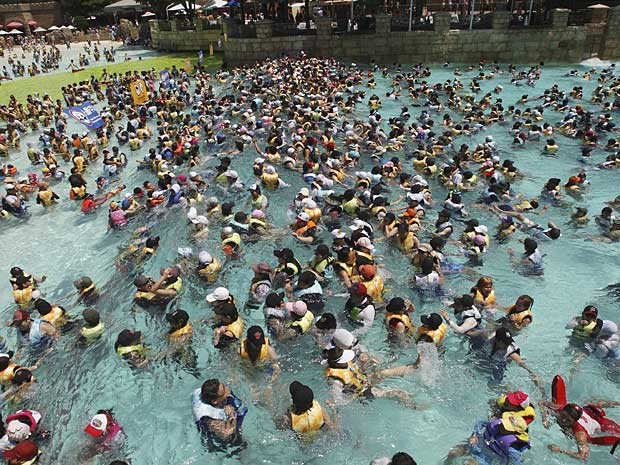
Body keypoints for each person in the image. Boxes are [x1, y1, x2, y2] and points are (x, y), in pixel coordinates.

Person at [545, 375, 620, 460]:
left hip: (602, 424)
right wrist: (544, 419)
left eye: (568, 420)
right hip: (588, 412)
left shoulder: (580, 434)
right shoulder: (559, 408)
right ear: (562, 411)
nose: (563, 420)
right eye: (563, 415)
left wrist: (560, 450)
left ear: (574, 422)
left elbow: (582, 456)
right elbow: (542, 403)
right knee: (591, 403)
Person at [444, 414, 530, 465]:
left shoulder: (511, 450)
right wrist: (474, 435)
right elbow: (480, 423)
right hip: (474, 446)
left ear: (514, 433)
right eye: (504, 423)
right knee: (453, 452)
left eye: (506, 427)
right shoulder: (496, 426)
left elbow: (516, 462)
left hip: (485, 459)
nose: (502, 426)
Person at [191, 379, 247, 446]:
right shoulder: (210, 418)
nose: (227, 390)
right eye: (224, 392)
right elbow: (226, 435)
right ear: (214, 401)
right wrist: (231, 416)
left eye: (224, 386)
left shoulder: (206, 393)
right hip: (220, 443)